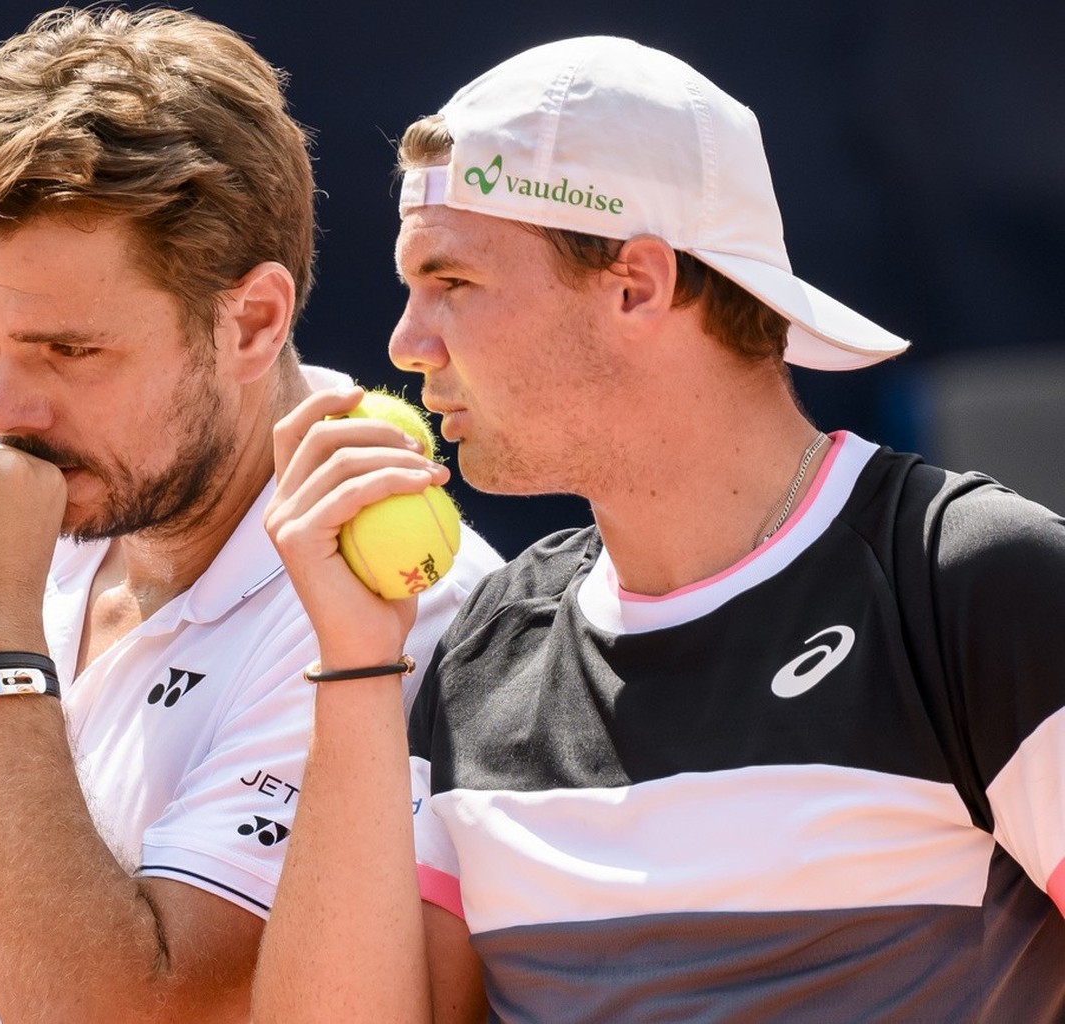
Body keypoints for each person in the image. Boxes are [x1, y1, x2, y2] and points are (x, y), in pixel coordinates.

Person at [257, 35, 1065, 1022]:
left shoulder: (980, 581)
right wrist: (351, 664)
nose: (404, 342)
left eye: (452, 281)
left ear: (636, 284)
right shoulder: (482, 647)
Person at [0, 7, 499, 1021]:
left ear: (252, 320)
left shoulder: (408, 609)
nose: (2, 411)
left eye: (67, 351)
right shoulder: (53, 522)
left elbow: (138, 1010)